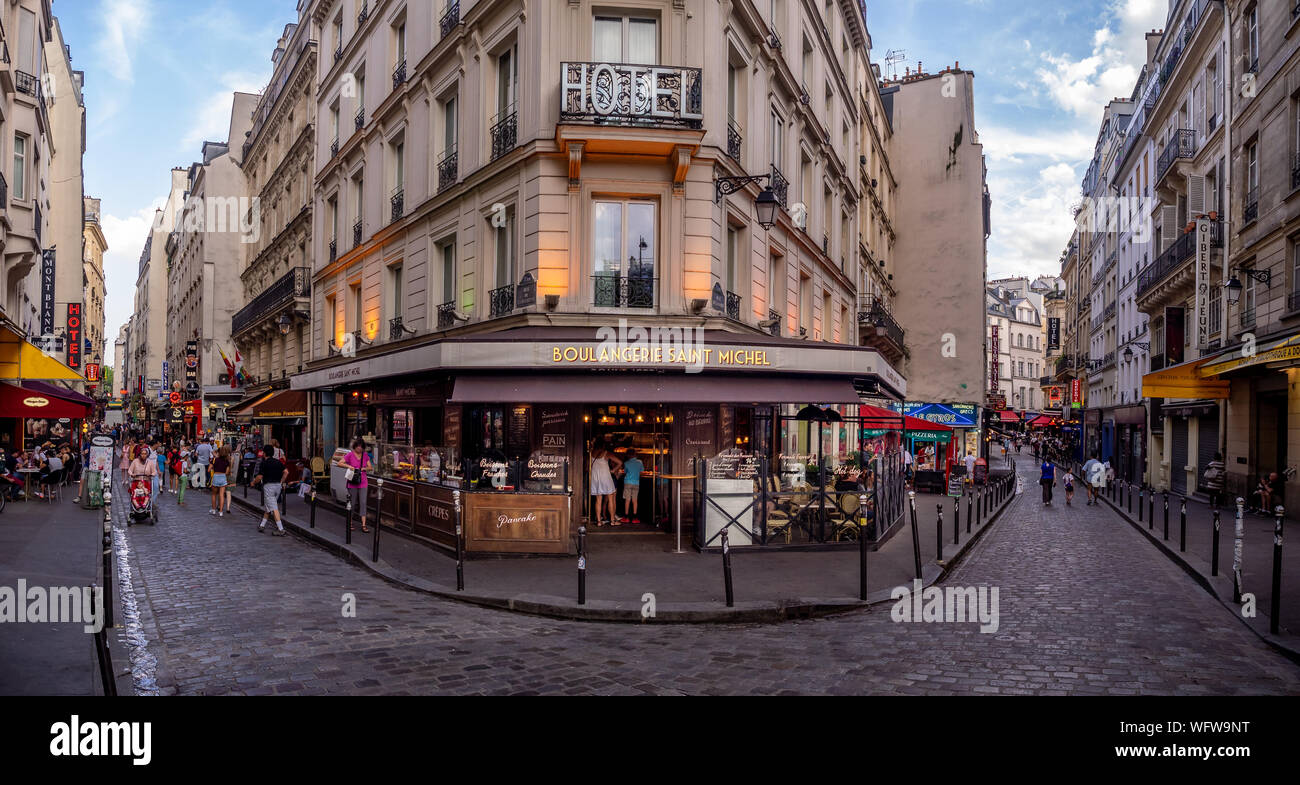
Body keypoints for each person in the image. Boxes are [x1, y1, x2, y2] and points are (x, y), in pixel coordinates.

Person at [337, 440, 373, 532]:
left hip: (363, 482)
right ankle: (350, 522)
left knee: (363, 502)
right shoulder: (350, 455)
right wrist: (349, 466)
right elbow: (339, 463)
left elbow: (370, 467)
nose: (359, 448)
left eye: (361, 447)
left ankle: (364, 524)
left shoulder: (365, 455)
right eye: (358, 446)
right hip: (352, 482)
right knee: (352, 503)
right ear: (355, 446)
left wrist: (364, 468)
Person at [252, 450, 287, 536]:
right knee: (270, 505)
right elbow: (286, 472)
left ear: (265, 454)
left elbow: (260, 476)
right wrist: (281, 481)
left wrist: (253, 482)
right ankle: (262, 525)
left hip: (269, 486)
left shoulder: (264, 463)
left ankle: (281, 529)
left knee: (274, 507)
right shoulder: (278, 462)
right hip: (278, 486)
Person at [589, 444, 622, 526]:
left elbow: (587, 467)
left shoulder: (591, 453)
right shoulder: (606, 453)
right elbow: (620, 462)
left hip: (595, 478)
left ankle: (599, 522)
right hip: (606, 477)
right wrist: (613, 470)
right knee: (611, 498)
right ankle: (612, 521)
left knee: (598, 500)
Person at [619, 450, 644, 524]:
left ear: (628, 455)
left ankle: (626, 517)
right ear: (635, 454)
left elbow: (625, 472)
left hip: (628, 482)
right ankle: (635, 518)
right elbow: (642, 471)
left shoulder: (626, 463)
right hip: (636, 483)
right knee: (635, 500)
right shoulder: (640, 462)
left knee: (627, 500)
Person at [210, 445, 231, 517]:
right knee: (222, 495)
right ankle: (221, 512)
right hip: (223, 477)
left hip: (216, 476)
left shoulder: (215, 460)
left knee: (214, 494)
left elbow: (209, 469)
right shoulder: (227, 461)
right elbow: (227, 472)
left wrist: (214, 468)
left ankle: (213, 510)